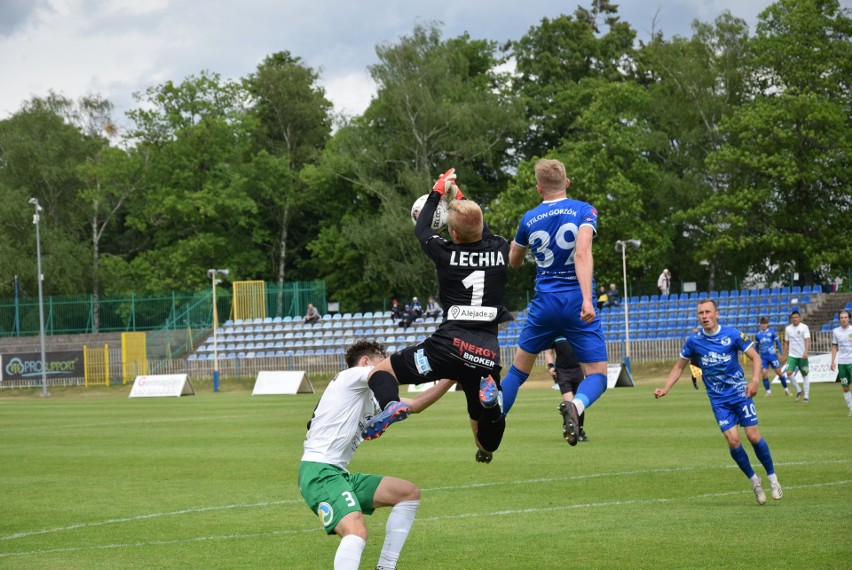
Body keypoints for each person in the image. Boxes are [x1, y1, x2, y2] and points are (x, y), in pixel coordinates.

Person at [363, 168, 512, 463]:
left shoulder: (445, 252)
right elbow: (479, 227)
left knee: (380, 372)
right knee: (488, 442)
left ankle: (391, 404)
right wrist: (458, 197)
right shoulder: (501, 247)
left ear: (452, 233)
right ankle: (492, 408)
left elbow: (421, 229)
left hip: (445, 348)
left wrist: (437, 191)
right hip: (485, 354)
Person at [299, 340, 454, 570]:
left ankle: (386, 567)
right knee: (356, 531)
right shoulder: (350, 376)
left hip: (338, 473)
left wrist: (453, 375)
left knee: (407, 493)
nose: (388, 371)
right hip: (320, 470)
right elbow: (382, 376)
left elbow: (417, 404)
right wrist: (390, 401)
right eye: (383, 364)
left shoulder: (366, 393)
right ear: (365, 362)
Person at [498, 158, 609, 446]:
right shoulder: (585, 210)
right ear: (567, 182)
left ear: (539, 188)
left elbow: (514, 261)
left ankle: (493, 421)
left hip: (545, 302)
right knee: (597, 374)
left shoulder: (529, 219)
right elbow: (583, 253)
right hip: (576, 301)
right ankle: (577, 405)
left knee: (518, 371)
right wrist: (587, 299)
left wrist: (517, 246)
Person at [655, 299, 783, 505]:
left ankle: (773, 478)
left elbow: (756, 358)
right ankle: (755, 480)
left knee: (753, 436)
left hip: (741, 394)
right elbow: (679, 367)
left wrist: (755, 380)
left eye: (707, 312)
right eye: (700, 313)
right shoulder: (694, 341)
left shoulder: (732, 334)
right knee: (733, 441)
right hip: (719, 401)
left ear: (717, 314)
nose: (704, 316)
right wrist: (666, 388)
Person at [545, 337, 589, 442]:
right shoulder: (554, 335)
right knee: (569, 404)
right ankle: (572, 429)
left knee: (579, 403)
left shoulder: (573, 330)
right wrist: (551, 366)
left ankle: (580, 431)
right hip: (562, 372)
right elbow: (548, 352)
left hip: (578, 370)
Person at [754, 316, 790, 397]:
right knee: (764, 374)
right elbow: (756, 347)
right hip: (763, 357)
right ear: (760, 325)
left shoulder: (772, 333)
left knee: (779, 373)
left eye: (765, 324)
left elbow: (778, 343)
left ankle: (786, 389)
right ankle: (768, 392)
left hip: (772, 356)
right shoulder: (758, 335)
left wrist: (782, 353)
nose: (763, 325)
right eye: (762, 324)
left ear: (767, 324)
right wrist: (755, 357)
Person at [782, 307, 809, 401]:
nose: (795, 319)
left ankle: (806, 396)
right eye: (793, 317)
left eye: (797, 317)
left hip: (802, 356)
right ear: (791, 319)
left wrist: (806, 351)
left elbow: (807, 340)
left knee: (805, 375)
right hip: (792, 355)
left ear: (799, 318)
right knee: (789, 373)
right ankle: (799, 390)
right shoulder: (788, 328)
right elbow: (786, 342)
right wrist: (784, 354)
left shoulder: (804, 327)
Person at [829, 309, 852, 416]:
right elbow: (834, 346)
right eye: (841, 318)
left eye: (845, 317)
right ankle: (851, 408)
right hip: (842, 362)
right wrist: (832, 361)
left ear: (849, 318)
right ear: (839, 319)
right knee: (845, 387)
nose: (843, 319)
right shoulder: (836, 331)